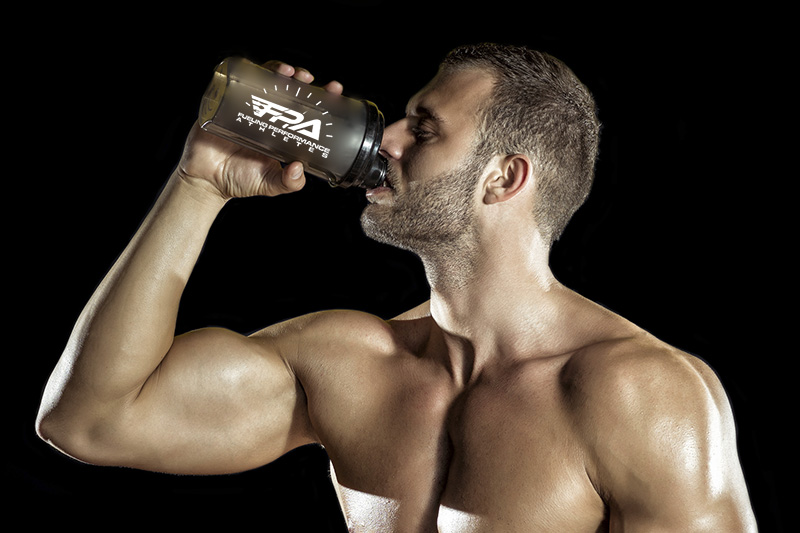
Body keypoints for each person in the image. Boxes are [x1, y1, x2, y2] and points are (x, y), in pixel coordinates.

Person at [36, 43, 757, 531]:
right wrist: (197, 185)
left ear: (503, 177)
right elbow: (88, 419)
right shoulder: (347, 362)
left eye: (423, 128)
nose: (386, 143)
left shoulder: (642, 394)